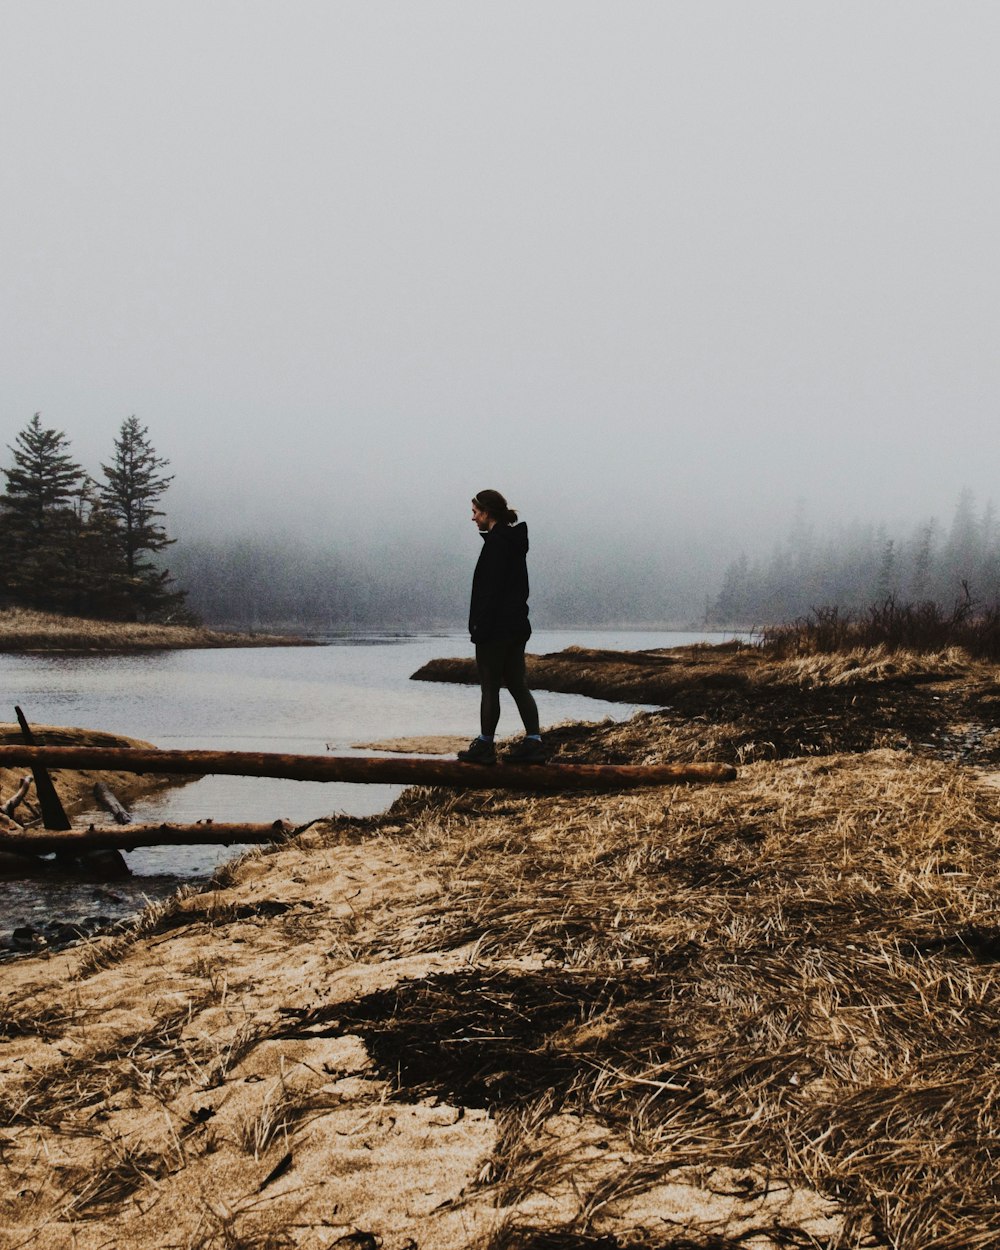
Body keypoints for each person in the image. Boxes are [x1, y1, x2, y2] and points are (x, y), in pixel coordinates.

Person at [457, 489, 545, 765]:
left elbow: (490, 592)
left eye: (475, 512)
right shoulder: (513, 542)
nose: (473, 518)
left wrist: (479, 627)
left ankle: (485, 746)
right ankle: (534, 742)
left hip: (495, 630)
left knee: (489, 687)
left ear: (487, 513)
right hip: (516, 627)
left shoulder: (496, 544)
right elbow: (517, 589)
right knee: (518, 685)